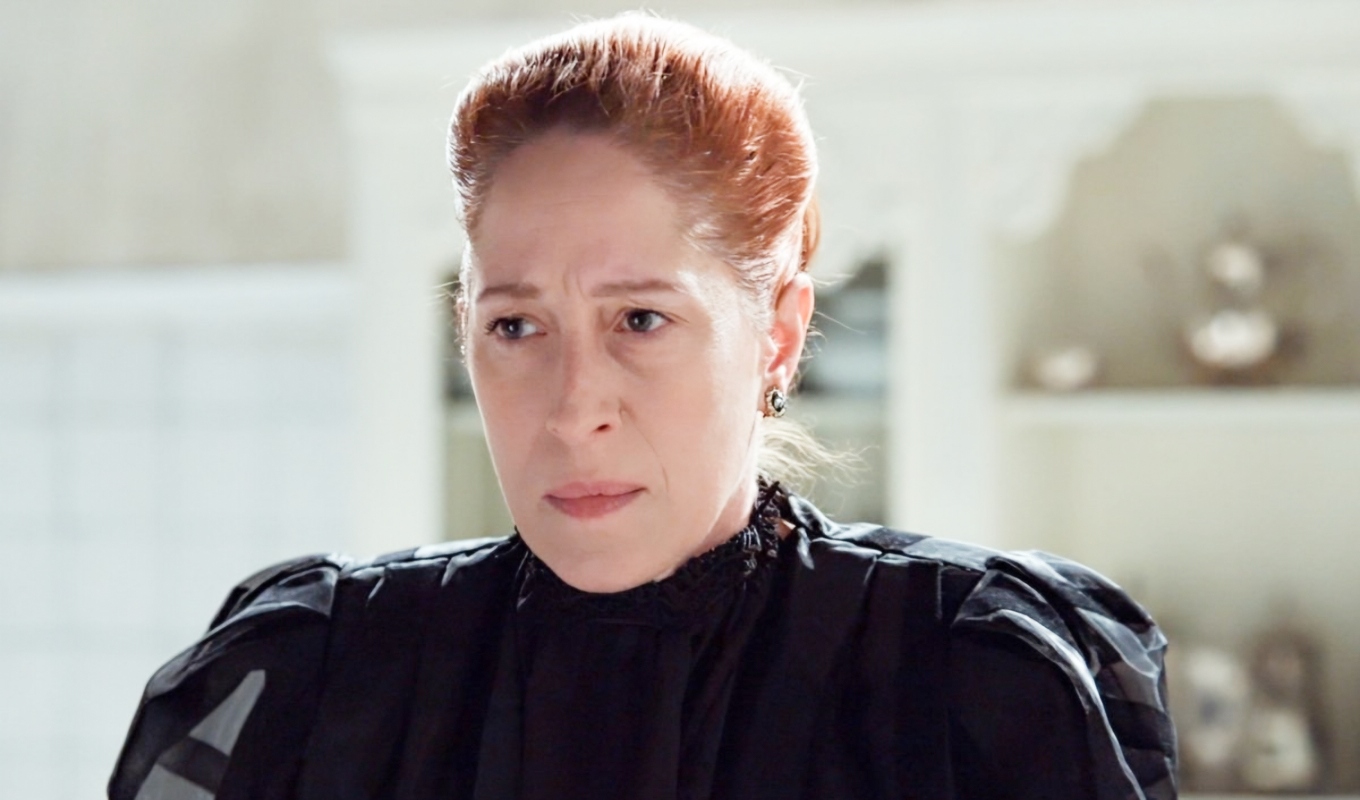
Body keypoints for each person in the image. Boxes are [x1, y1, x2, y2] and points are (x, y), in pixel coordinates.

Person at [110, 13, 1177, 800]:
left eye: (640, 320)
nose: (574, 410)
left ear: (778, 333)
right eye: (517, 326)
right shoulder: (318, 679)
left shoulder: (966, 679)